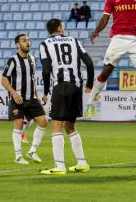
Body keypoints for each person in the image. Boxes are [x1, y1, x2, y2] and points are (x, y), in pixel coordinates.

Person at [39, 19, 94, 174]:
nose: (64, 28)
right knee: (69, 126)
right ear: (58, 28)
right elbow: (89, 63)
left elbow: (46, 69)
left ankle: (60, 166)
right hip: (77, 86)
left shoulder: (45, 44)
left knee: (56, 125)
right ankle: (82, 163)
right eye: (62, 25)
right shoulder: (74, 41)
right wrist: (89, 83)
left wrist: (46, 91)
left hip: (61, 85)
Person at [1, 34, 48, 165]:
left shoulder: (32, 59)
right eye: (24, 41)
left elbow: (31, 80)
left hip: (31, 98)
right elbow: (4, 79)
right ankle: (18, 156)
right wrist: (14, 93)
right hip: (18, 99)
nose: (27, 43)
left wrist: (37, 97)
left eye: (28, 40)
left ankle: (32, 151)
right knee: (19, 124)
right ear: (18, 44)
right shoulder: (13, 60)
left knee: (43, 122)